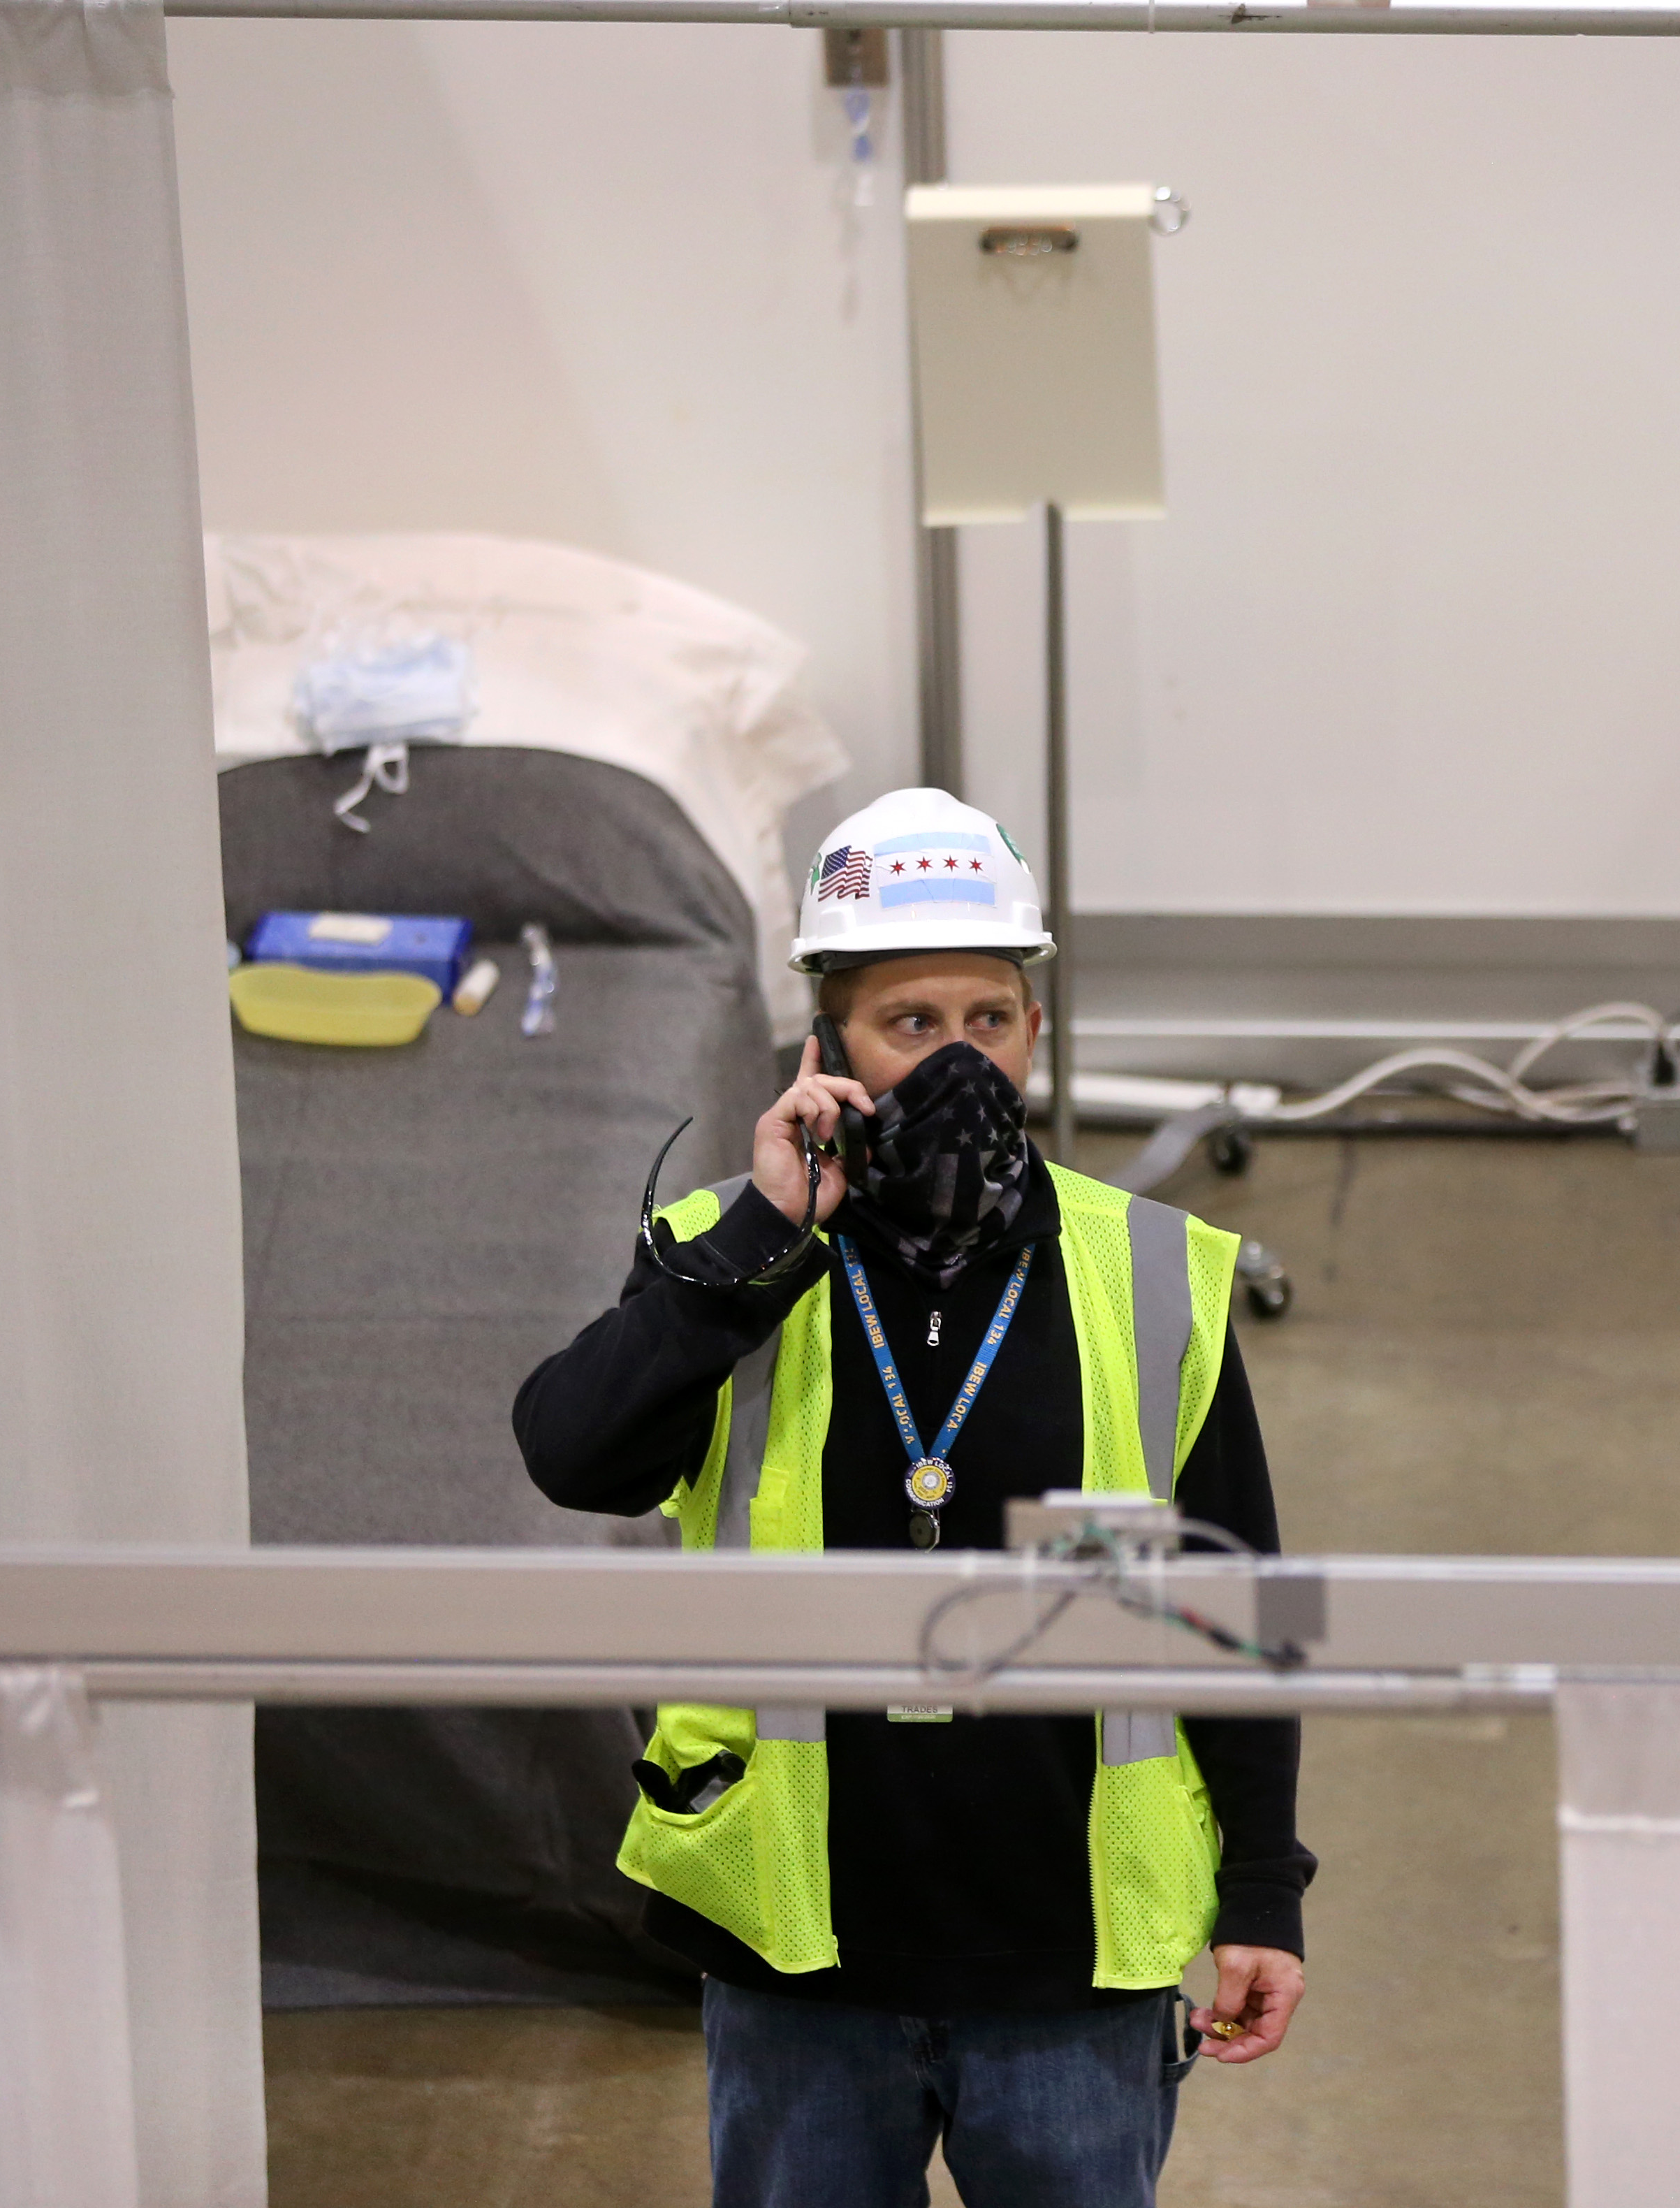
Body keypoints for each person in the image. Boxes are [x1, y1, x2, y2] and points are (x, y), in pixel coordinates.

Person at [514, 785, 1311, 2208]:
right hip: (801, 1958)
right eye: (910, 1022)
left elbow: (1231, 1599)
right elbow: (575, 1457)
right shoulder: (730, 1254)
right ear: (827, 1049)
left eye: (988, 1019)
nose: (959, 1059)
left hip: (1071, 1962)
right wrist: (762, 1239)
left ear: (1035, 1031)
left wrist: (1263, 1893)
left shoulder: (1150, 1271)